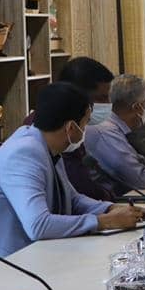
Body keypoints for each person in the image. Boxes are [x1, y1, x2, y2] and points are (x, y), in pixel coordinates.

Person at [0, 82, 145, 264]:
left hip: (41, 253)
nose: (86, 130)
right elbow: (39, 225)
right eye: (86, 123)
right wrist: (104, 221)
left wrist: (111, 209)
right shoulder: (23, 154)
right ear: (71, 127)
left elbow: (73, 199)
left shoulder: (46, 145)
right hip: (11, 265)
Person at [21, 56, 123, 201]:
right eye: (101, 98)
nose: (108, 104)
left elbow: (76, 193)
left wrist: (110, 204)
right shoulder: (52, 129)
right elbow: (80, 186)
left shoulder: (73, 123)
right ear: (76, 94)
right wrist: (109, 201)